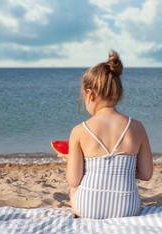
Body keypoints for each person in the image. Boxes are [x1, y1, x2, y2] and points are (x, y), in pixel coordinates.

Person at [62, 50, 153, 219]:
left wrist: (71, 161)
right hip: (128, 209)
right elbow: (146, 174)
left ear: (90, 94)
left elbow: (73, 180)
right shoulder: (137, 127)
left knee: (74, 189)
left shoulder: (80, 130)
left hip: (88, 209)